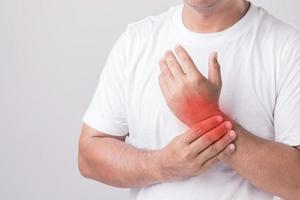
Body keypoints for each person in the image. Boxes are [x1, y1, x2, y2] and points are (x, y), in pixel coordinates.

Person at [78, 0, 300, 199]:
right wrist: (162, 166)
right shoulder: (136, 40)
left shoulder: (287, 48)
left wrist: (205, 114)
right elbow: (89, 154)